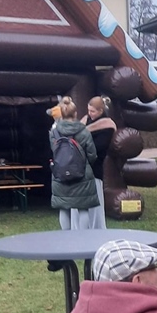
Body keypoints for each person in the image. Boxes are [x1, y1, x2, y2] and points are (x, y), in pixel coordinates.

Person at [50, 96, 100, 230]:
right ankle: (82, 239)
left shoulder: (54, 133)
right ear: (75, 113)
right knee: (83, 209)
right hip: (82, 175)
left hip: (60, 176)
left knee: (64, 209)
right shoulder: (84, 132)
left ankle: (67, 239)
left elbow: (54, 151)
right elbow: (92, 154)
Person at [81, 96, 116, 229]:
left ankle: (97, 231)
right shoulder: (84, 121)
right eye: (88, 110)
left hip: (94, 169)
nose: (90, 114)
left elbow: (97, 148)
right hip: (80, 169)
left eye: (93, 111)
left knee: (95, 207)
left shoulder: (107, 126)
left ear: (101, 111)